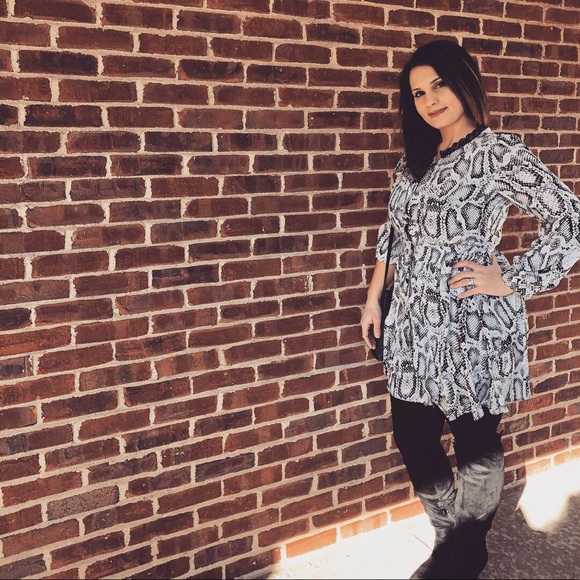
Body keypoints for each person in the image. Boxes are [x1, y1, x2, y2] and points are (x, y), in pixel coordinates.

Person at [360, 40, 580, 579]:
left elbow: (570, 219)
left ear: (464, 83)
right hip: (411, 323)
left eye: (439, 85)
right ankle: (448, 533)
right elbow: (395, 234)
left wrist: (512, 278)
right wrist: (374, 297)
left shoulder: (498, 153)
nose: (430, 100)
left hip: (472, 325)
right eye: (418, 93)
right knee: (413, 435)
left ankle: (468, 548)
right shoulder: (413, 162)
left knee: (475, 441)